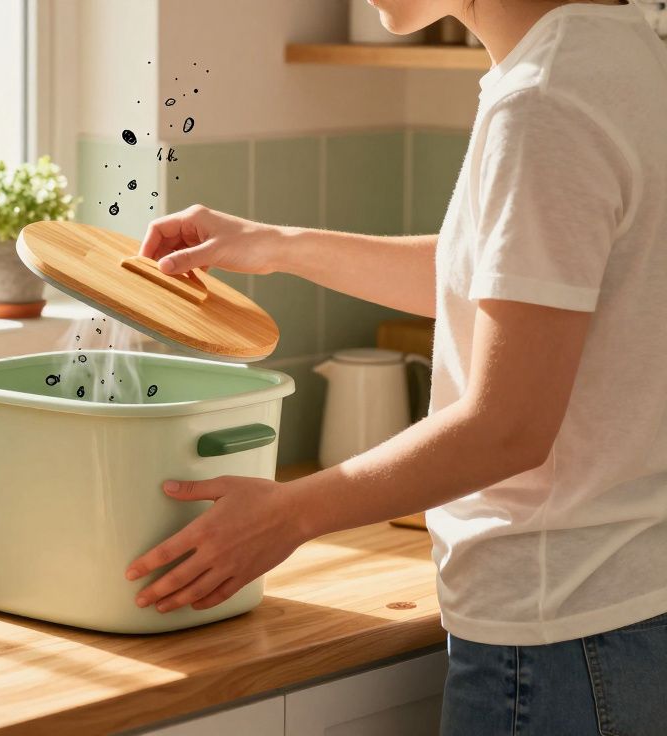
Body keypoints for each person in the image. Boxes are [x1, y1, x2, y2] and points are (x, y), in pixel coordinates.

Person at [126, 0, 667, 732]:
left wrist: (290, 513)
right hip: (624, 605)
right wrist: (276, 243)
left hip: (556, 634)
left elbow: (509, 427)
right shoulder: (624, 53)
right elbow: (504, 285)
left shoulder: (544, 101)